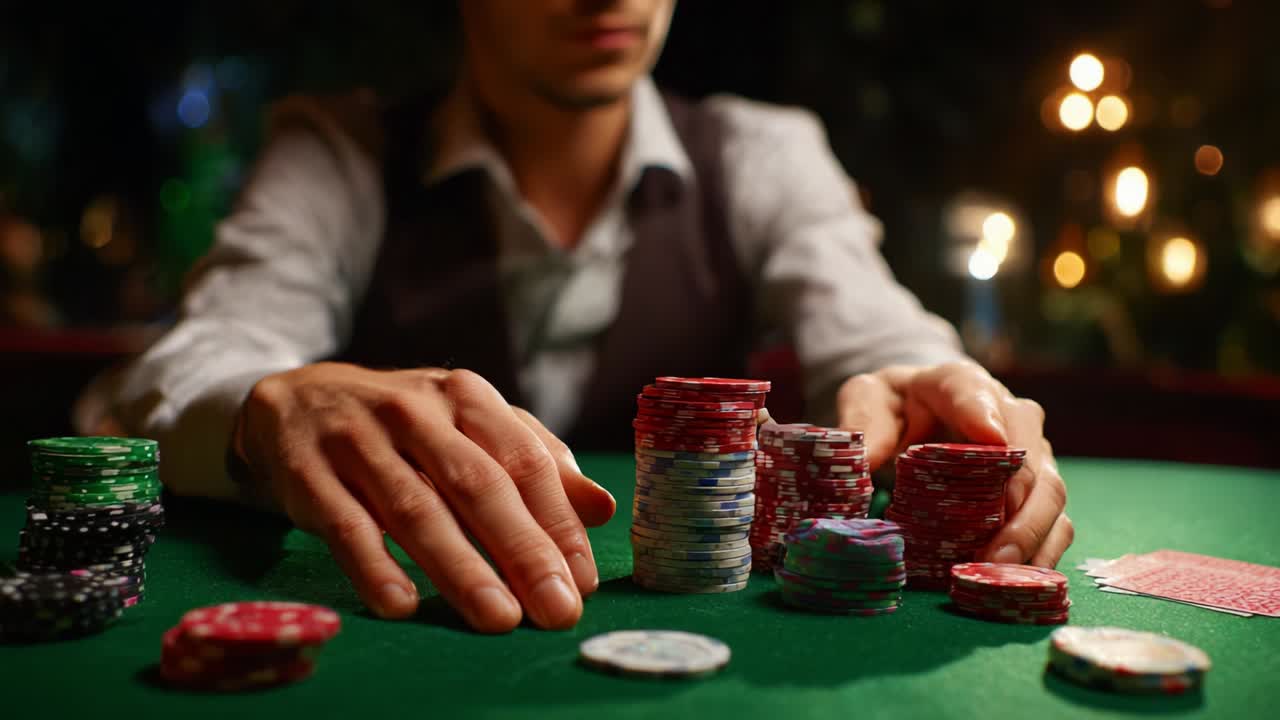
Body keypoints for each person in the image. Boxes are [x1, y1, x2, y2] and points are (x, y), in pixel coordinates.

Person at [109, 0, 1071, 633]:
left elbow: (878, 332)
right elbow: (194, 366)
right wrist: (270, 403)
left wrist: (934, 381)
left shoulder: (766, 151)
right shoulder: (338, 151)